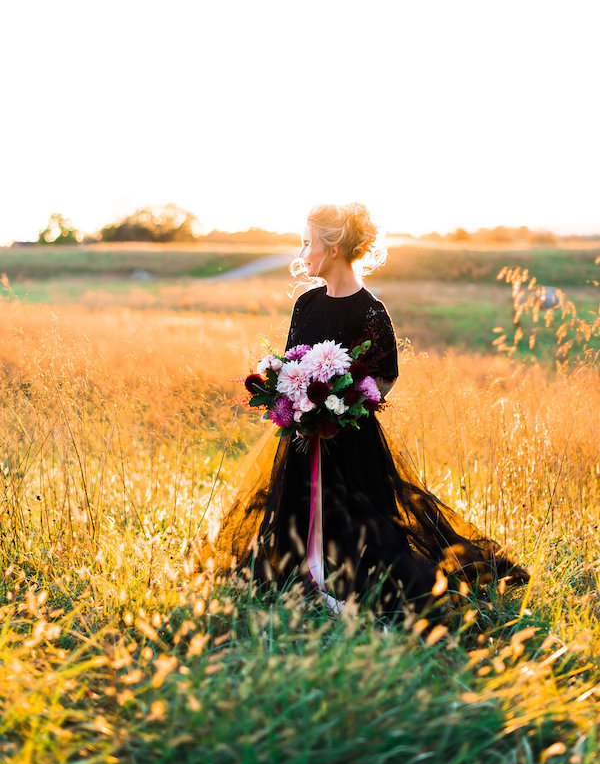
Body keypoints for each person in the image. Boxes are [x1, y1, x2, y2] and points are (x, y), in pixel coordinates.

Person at [188, 203, 530, 620]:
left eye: (308, 243)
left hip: (351, 438)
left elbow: (385, 375)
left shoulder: (370, 310)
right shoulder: (307, 303)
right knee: (296, 510)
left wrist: (343, 405)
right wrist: (291, 395)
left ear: (332, 249)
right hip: (303, 436)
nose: (302, 252)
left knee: (361, 519)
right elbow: (293, 357)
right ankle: (306, 579)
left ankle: (364, 584)